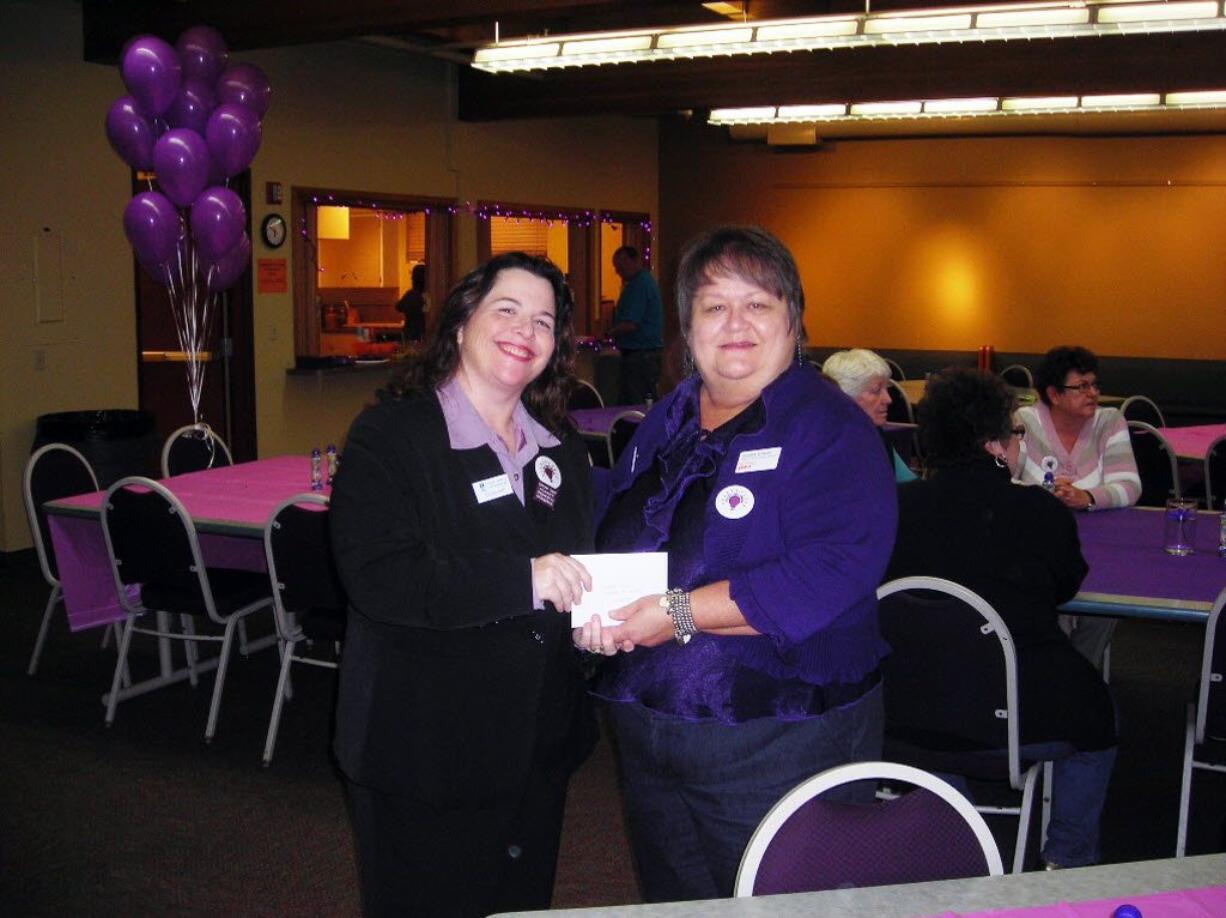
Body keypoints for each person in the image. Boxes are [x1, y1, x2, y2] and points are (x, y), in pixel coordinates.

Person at [575, 226, 897, 902]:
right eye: (714, 306)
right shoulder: (670, 416)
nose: (736, 324)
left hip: (774, 733)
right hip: (651, 725)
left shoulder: (829, 427)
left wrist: (683, 612)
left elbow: (834, 567)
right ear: (688, 329)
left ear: (795, 322)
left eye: (759, 304)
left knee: (776, 904)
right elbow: (624, 523)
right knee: (679, 903)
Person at [329, 252, 597, 917]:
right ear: (459, 324)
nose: (525, 331)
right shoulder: (391, 436)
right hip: (426, 749)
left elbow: (577, 573)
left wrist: (599, 624)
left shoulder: (561, 449)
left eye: (544, 321)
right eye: (506, 310)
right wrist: (523, 579)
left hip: (534, 744)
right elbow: (382, 579)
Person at [886, 366, 1117, 870]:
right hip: (1020, 711)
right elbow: (1064, 586)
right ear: (994, 445)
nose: (1021, 443)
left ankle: (951, 838)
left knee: (937, 733)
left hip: (907, 707)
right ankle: (1067, 862)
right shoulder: (1037, 511)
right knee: (1099, 719)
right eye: (1016, 433)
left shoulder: (890, 508)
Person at [1016, 345, 1140, 512]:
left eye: (1095, 385)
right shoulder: (1024, 422)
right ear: (1054, 394)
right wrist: (1044, 494)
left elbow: (1130, 487)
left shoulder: (1110, 421)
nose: (1093, 393)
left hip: (1100, 531)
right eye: (1082, 386)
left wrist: (1087, 497)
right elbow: (1002, 482)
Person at [822, 348, 917, 482]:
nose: (888, 399)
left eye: (887, 389)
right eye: (876, 391)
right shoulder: (826, 447)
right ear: (845, 395)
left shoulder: (875, 434)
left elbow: (907, 482)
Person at [607, 245, 664, 405]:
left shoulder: (640, 285)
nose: (618, 271)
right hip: (643, 354)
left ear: (634, 261)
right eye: (616, 267)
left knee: (637, 404)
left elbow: (631, 323)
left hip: (640, 355)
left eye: (620, 266)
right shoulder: (638, 283)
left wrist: (610, 332)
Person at [394, 262, 428, 342]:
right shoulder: (429, 295)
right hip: (425, 333)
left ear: (413, 279)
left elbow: (398, 307)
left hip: (409, 333)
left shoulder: (410, 295)